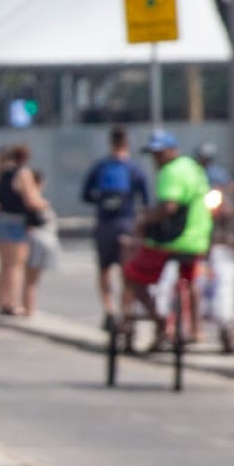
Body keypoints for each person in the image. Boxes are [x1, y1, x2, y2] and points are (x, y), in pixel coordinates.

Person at [120, 130, 213, 349]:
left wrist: (144, 222)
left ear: (172, 151)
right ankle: (196, 330)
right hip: (197, 240)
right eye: (154, 155)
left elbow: (168, 207)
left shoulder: (170, 172)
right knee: (190, 281)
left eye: (159, 154)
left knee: (132, 277)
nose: (156, 160)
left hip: (171, 241)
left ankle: (160, 322)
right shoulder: (194, 168)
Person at [79, 126, 151, 323]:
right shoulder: (135, 169)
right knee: (126, 270)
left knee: (104, 269)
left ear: (110, 143)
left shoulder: (100, 167)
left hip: (104, 224)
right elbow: (146, 201)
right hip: (126, 223)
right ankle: (125, 311)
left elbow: (85, 195)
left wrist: (102, 201)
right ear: (127, 143)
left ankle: (109, 309)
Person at [0, 144, 40, 315]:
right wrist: (43, 204)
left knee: (4, 265)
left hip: (1, 219)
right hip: (16, 220)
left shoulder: (1, 173)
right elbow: (30, 199)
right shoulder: (23, 173)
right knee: (16, 265)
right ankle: (12, 303)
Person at [22, 168, 61, 316]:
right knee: (31, 278)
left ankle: (29, 308)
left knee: (32, 278)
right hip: (38, 238)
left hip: (41, 238)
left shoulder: (31, 198)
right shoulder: (32, 199)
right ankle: (29, 309)